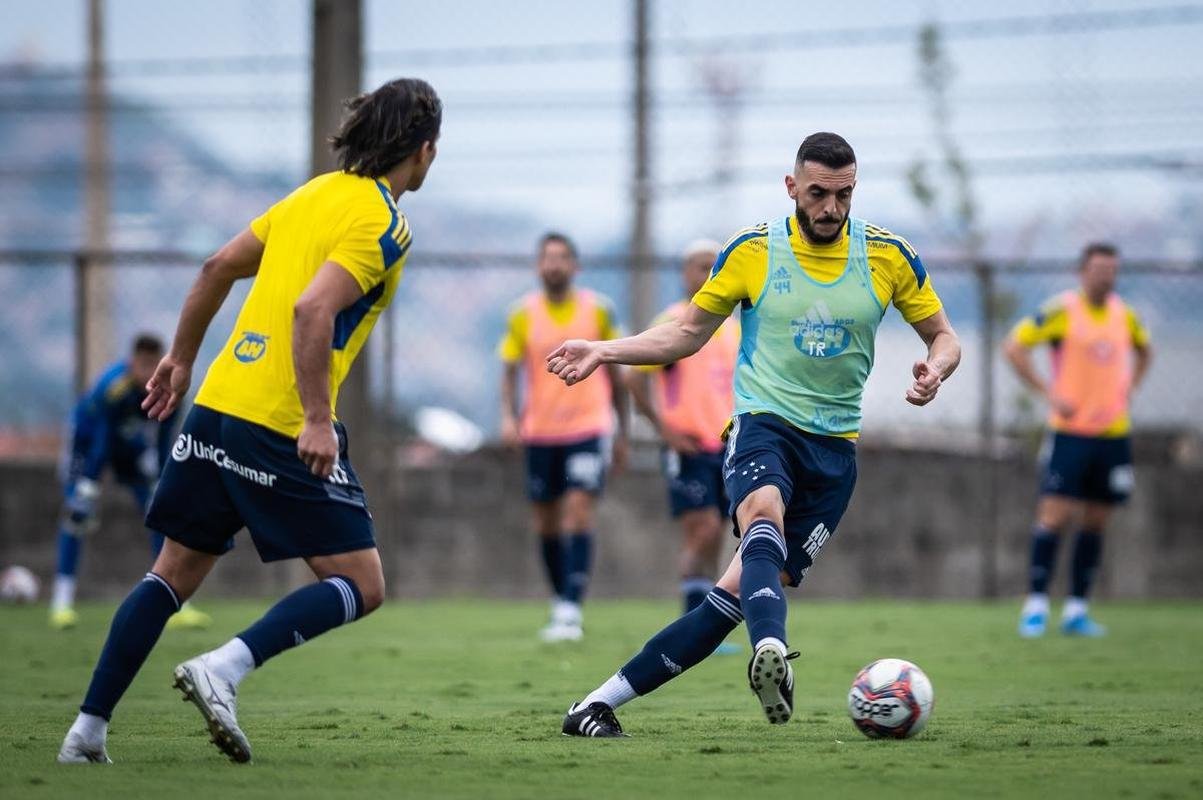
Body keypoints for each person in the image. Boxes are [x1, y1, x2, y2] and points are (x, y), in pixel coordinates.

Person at [56, 77, 442, 764]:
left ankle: (86, 731)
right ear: (423, 151)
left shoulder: (309, 195)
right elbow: (312, 310)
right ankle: (225, 668)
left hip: (214, 409)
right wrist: (319, 420)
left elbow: (215, 267)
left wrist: (179, 358)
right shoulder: (384, 222)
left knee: (169, 574)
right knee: (362, 582)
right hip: (279, 421)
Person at [547, 132, 961, 736]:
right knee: (759, 517)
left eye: (843, 195)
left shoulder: (888, 255)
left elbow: (944, 336)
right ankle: (772, 653)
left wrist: (937, 369)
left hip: (835, 452)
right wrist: (604, 350)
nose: (831, 209)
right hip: (763, 424)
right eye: (818, 193)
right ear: (791, 187)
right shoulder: (754, 251)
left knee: (731, 598)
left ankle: (594, 705)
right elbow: (686, 332)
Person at [1005, 243, 1152, 638]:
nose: (1106, 276)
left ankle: (1077, 609)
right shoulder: (1062, 311)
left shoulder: (1126, 315)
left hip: (1113, 434)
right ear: (1082, 272)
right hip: (1070, 434)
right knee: (1054, 515)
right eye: (1099, 269)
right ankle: (1035, 605)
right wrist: (1048, 393)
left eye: (1112, 270)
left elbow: (1145, 350)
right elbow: (1015, 346)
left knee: (1097, 520)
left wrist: (1131, 386)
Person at [498, 233, 630, 642]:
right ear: (539, 266)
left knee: (578, 512)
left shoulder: (599, 310)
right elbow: (508, 368)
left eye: (561, 258)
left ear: (575, 266)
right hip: (540, 431)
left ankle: (572, 606)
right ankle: (561, 601)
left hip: (588, 428)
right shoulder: (521, 313)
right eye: (546, 258)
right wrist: (507, 417)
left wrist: (622, 429)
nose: (553, 265)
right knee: (546, 522)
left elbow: (618, 371)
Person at [49, 334, 210, 631]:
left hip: (128, 444)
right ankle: (61, 602)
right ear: (131, 362)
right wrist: (88, 486)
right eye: (143, 365)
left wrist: (162, 482)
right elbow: (100, 439)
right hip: (87, 445)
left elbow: (164, 442)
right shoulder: (113, 388)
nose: (148, 373)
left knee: (160, 515)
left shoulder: (171, 388)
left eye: (154, 364)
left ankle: (178, 603)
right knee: (77, 515)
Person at [625, 240, 740, 623]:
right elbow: (634, 379)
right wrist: (665, 431)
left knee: (719, 531)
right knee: (702, 528)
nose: (707, 274)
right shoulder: (671, 323)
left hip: (724, 444)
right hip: (686, 446)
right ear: (685, 273)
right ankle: (694, 620)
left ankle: (703, 617)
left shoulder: (732, 329)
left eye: (714, 266)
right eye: (700, 266)